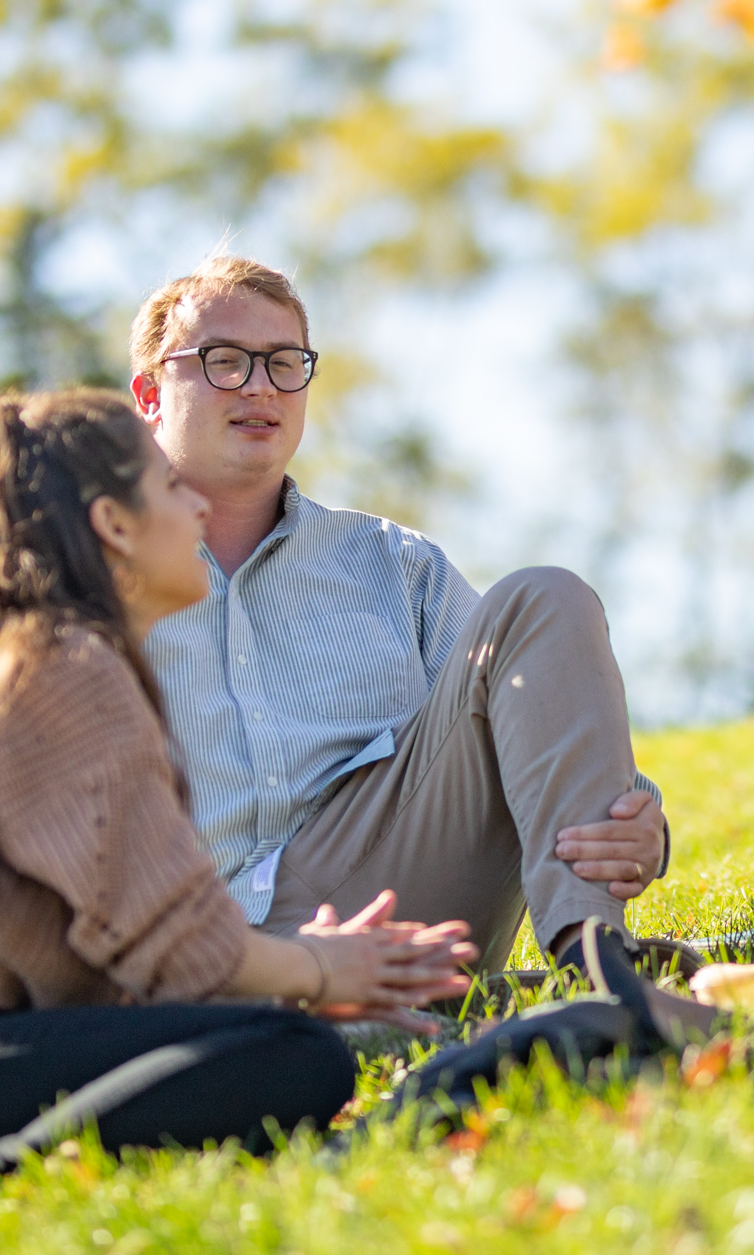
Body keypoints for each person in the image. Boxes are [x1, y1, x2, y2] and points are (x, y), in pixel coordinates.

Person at [0, 390, 477, 1199]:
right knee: (298, 1055)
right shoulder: (67, 668)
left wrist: (286, 984)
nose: (197, 508)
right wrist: (322, 968)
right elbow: (181, 943)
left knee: (271, 1038)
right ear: (114, 524)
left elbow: (130, 956)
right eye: (172, 489)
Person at [127, 254, 675, 975]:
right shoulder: (89, 581)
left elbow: (533, 727)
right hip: (191, 953)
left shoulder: (394, 563)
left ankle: (600, 970)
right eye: (224, 360)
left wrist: (640, 827)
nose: (261, 386)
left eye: (285, 362)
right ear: (149, 394)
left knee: (545, 597)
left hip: (396, 901)